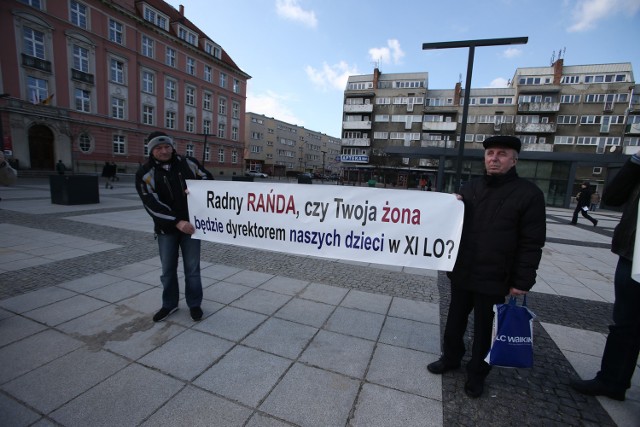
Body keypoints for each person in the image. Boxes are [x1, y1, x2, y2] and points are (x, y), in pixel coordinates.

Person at [427, 135, 546, 398]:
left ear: (514, 159)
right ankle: (451, 358)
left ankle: (477, 374)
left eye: (502, 154)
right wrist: (449, 206)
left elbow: (532, 242)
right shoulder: (469, 189)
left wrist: (522, 281)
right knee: (454, 321)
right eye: (490, 153)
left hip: (496, 276)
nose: (494, 158)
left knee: (484, 329)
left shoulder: (529, 194)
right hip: (463, 270)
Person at [570, 151, 640, 401]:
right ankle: (612, 381)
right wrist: (635, 161)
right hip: (633, 254)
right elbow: (613, 197)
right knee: (625, 323)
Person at [135, 131, 211, 322]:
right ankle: (169, 304)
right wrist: (177, 222)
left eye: (167, 146)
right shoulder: (145, 173)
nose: (164, 151)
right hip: (167, 230)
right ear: (151, 150)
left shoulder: (188, 163)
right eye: (159, 148)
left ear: (172, 147)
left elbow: (208, 180)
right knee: (168, 271)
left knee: (192, 270)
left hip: (192, 228)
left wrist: (196, 189)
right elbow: (151, 204)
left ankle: (194, 304)